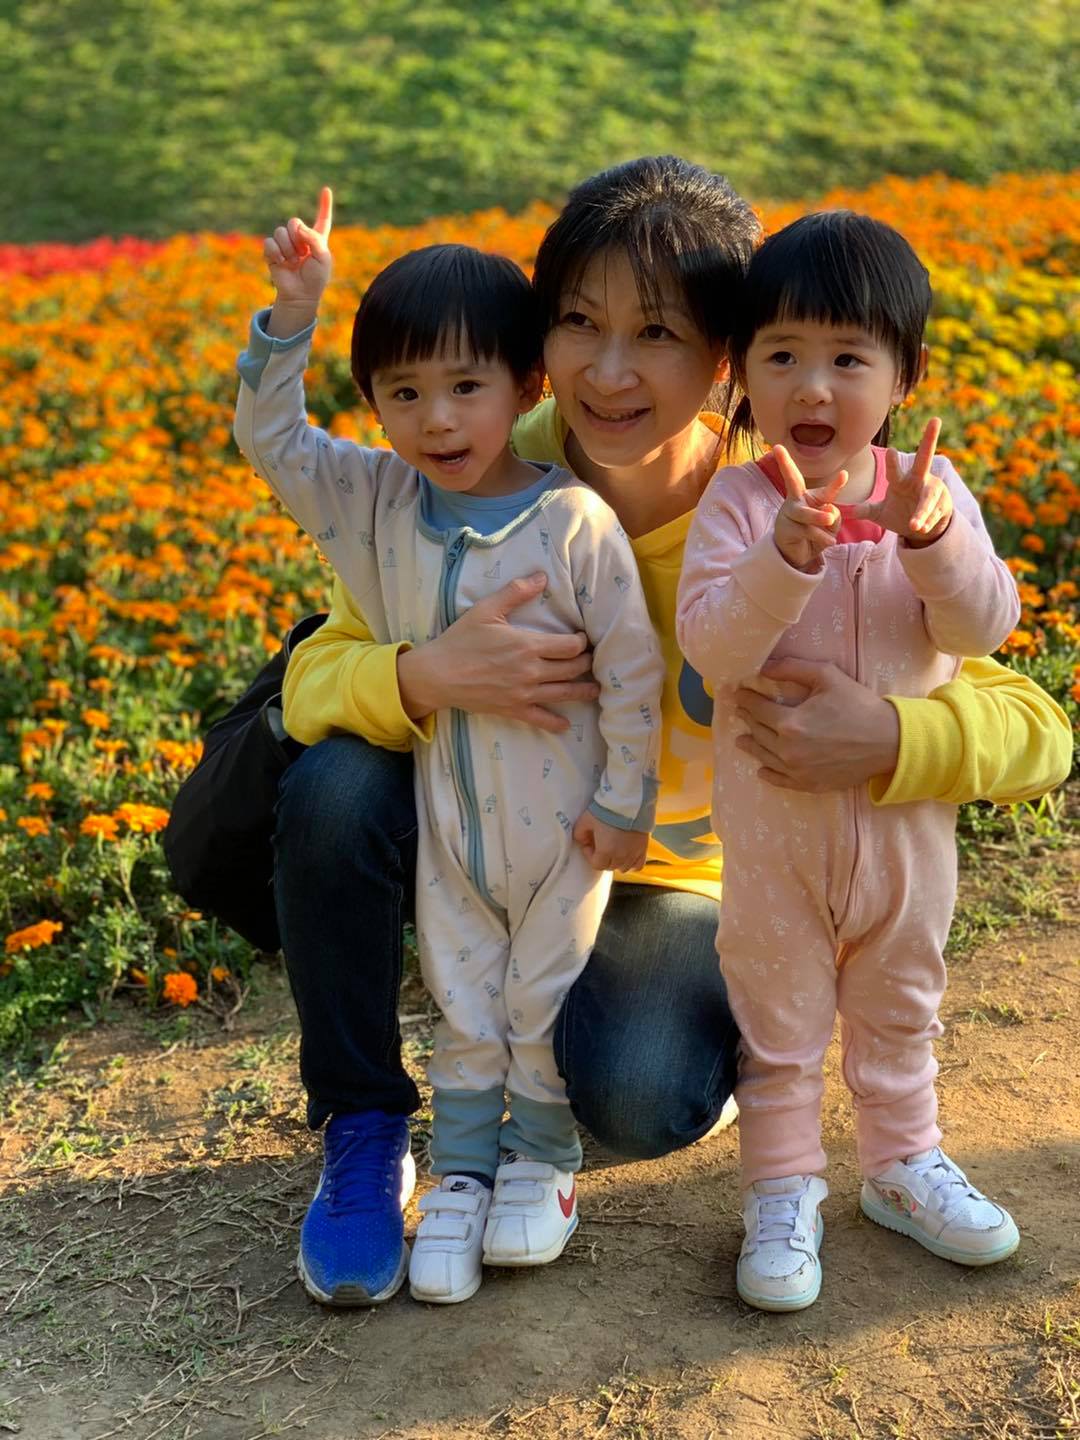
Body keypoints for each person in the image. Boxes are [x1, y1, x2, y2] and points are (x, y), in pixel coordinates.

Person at [271, 157, 1072, 1310]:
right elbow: (313, 676)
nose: (609, 373)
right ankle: (362, 1126)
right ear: (539, 337)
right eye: (579, 324)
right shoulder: (481, 464)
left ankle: (669, 1046)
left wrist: (894, 739)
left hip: (680, 882)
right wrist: (423, 674)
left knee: (641, 1094)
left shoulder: (784, 502)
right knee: (339, 785)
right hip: (503, 840)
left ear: (725, 356)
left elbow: (1033, 722)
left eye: (656, 333)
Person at [234, 189, 664, 1305]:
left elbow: (632, 667)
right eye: (405, 393)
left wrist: (625, 799)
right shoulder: (379, 501)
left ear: (526, 387)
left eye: (467, 387)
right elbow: (270, 439)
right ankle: (459, 1170)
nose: (436, 420)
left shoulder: (570, 521)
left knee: (540, 992)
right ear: (374, 402)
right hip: (448, 828)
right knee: (465, 997)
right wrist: (294, 313)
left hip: (566, 830)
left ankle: (543, 1161)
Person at [676, 210, 1024, 1313]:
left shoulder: (931, 494)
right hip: (775, 844)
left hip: (907, 839)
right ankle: (782, 1190)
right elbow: (713, 647)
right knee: (777, 1024)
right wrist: (779, 563)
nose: (812, 387)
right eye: (781, 356)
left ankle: (902, 1163)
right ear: (742, 372)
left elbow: (984, 625)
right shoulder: (739, 504)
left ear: (903, 374)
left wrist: (931, 539)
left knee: (901, 1003)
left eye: (847, 359)